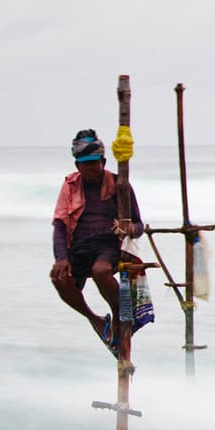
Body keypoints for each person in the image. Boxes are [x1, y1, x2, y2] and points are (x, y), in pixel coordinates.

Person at [49, 129, 143, 349]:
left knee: (100, 271)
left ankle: (119, 315)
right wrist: (61, 258)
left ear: (103, 161)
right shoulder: (70, 186)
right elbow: (60, 225)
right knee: (59, 278)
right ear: (77, 166)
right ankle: (96, 320)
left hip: (107, 246)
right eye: (85, 164)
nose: (91, 168)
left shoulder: (119, 185)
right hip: (79, 248)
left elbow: (139, 225)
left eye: (94, 163)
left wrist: (130, 228)